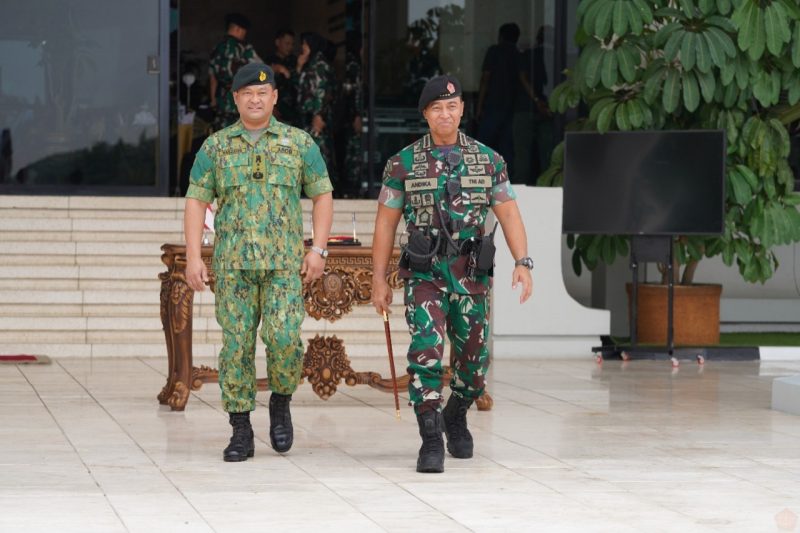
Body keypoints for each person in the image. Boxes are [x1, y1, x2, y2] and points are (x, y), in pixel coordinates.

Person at [370, 75, 534, 473]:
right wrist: (379, 277)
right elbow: (385, 223)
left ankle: (455, 414)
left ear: (462, 109)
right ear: (426, 114)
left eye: (452, 106)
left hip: (471, 274)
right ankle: (430, 438)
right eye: (436, 108)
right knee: (426, 351)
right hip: (425, 274)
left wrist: (522, 262)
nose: (445, 113)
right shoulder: (402, 163)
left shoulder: (489, 161)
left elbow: (508, 213)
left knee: (474, 363)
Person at [184, 63, 334, 462]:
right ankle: (240, 429)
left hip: (285, 266)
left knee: (284, 340)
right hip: (233, 267)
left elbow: (322, 194)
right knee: (236, 348)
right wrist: (195, 257)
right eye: (246, 92)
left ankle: (281, 403)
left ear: (274, 98)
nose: (255, 98)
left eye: (262, 93)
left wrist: (317, 249)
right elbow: (196, 200)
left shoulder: (298, 143)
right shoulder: (215, 147)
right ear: (234, 98)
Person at [477, 23, 522, 174]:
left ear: (500, 36)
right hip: (511, 107)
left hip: (493, 104)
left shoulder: (494, 51)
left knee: (482, 146)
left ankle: (477, 178)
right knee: (506, 148)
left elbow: (485, 78)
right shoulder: (517, 54)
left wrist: (479, 106)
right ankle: (507, 181)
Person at [208, 13, 262, 131]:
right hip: (240, 101)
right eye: (244, 32)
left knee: (221, 139)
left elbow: (213, 78)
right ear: (238, 29)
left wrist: (213, 100)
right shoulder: (244, 48)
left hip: (221, 101)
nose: (244, 35)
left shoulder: (217, 48)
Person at [296, 32, 336, 183]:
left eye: (305, 44)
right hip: (307, 118)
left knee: (318, 153)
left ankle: (321, 189)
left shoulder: (320, 65)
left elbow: (322, 92)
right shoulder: (310, 64)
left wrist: (319, 115)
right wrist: (299, 67)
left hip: (316, 119)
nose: (302, 47)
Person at [264, 28, 299, 127]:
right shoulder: (269, 61)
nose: (290, 47)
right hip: (276, 113)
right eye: (287, 43)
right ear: (277, 42)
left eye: (292, 44)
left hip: (294, 112)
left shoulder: (295, 61)